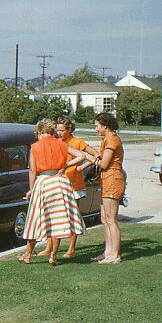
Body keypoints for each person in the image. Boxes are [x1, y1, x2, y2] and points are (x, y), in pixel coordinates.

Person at [18, 119, 88, 266]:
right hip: (60, 181)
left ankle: (27, 255)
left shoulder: (35, 147)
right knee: (59, 219)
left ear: (39, 132)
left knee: (36, 219)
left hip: (44, 182)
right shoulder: (62, 144)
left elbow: (32, 170)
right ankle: (53, 256)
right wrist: (66, 165)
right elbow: (82, 156)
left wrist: (31, 189)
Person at [37, 118, 99, 259]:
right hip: (58, 184)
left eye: (62, 130)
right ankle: (49, 247)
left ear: (70, 129)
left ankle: (71, 248)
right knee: (53, 216)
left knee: (73, 216)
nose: (59, 133)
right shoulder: (56, 142)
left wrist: (81, 167)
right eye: (57, 130)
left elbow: (94, 155)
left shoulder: (77, 142)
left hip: (74, 185)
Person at [90, 112, 125, 264]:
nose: (96, 129)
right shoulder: (106, 140)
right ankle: (108, 252)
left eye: (97, 126)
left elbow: (104, 164)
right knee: (105, 218)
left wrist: (89, 158)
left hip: (113, 180)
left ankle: (115, 255)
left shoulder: (112, 140)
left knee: (111, 220)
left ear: (105, 125)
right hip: (107, 181)